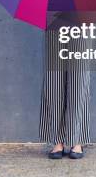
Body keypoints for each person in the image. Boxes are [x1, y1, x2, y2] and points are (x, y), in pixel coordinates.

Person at [39, 28, 91, 159]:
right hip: (55, 15)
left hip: (82, 17)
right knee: (54, 80)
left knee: (78, 80)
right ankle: (57, 140)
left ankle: (77, 139)